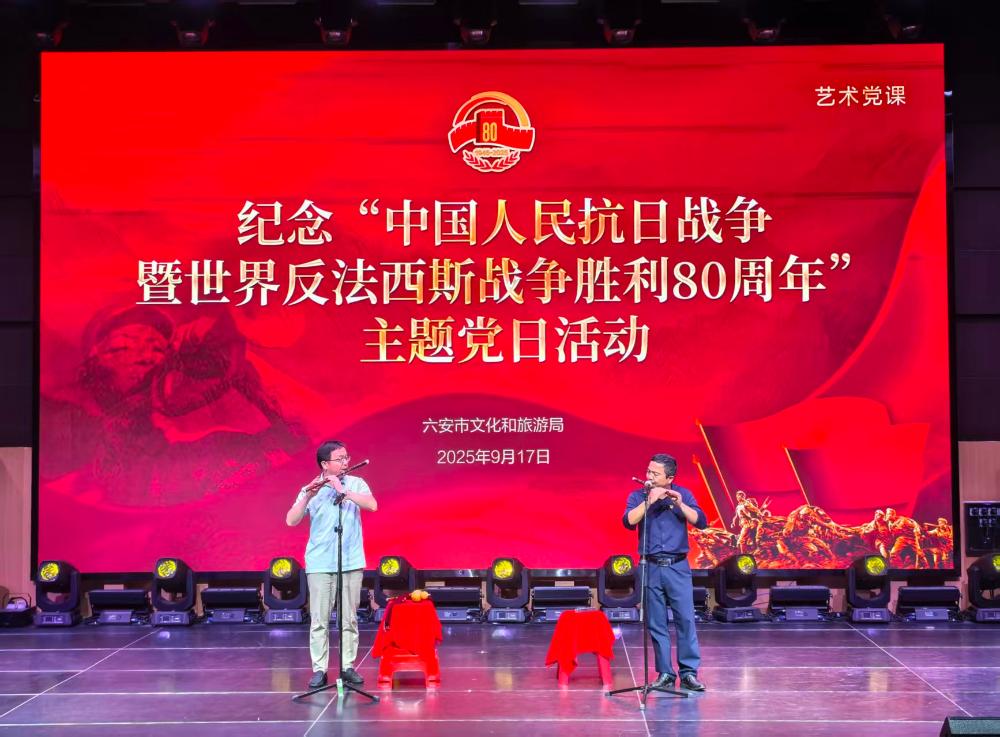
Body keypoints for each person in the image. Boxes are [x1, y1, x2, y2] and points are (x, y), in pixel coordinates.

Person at [286, 440, 378, 689]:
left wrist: (342, 490)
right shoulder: (311, 488)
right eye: (340, 459)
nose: (346, 462)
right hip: (319, 563)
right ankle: (319, 669)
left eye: (347, 457)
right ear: (325, 464)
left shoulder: (356, 483)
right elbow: (291, 520)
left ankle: (347, 666)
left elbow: (372, 505)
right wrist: (308, 495)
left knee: (349, 618)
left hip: (350, 561)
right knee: (319, 620)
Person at [623, 453, 708, 692]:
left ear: (669, 478)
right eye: (648, 471)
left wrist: (679, 504)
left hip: (677, 567)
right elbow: (628, 521)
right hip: (650, 566)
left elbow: (701, 521)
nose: (649, 476)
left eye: (655, 473)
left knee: (685, 620)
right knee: (656, 623)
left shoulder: (683, 494)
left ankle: (688, 673)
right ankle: (665, 673)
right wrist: (649, 501)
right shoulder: (638, 496)